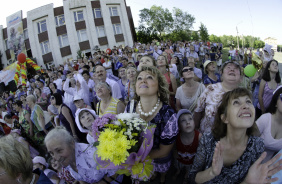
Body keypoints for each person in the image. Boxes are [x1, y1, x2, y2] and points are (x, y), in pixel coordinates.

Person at [188, 87, 282, 184]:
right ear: (225, 118)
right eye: (236, 102)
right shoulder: (208, 140)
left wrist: (247, 182)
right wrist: (211, 172)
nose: (246, 106)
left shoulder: (257, 146)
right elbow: (192, 177)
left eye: (249, 102)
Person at [125, 66, 178, 184]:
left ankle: (162, 176)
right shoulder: (129, 106)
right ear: (136, 88)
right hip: (135, 161)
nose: (143, 80)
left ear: (159, 87)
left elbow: (164, 151)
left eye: (149, 77)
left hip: (159, 158)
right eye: (139, 78)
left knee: (161, 173)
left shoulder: (168, 114)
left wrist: (138, 159)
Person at [45, 126, 122, 183]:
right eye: (51, 153)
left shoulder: (93, 154)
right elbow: (81, 178)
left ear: (72, 143)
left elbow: (118, 167)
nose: (56, 158)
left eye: (59, 150)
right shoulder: (67, 161)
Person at [194, 61, 242, 134]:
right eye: (228, 67)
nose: (232, 70)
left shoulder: (244, 95)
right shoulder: (210, 89)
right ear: (221, 74)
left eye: (235, 68)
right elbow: (198, 110)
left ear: (240, 77)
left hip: (232, 139)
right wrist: (196, 130)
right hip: (207, 136)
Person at [174, 109, 202, 183]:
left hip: (191, 161)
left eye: (190, 119)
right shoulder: (176, 136)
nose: (187, 122)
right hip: (180, 159)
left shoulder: (199, 136)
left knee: (188, 169)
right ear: (179, 126)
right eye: (183, 120)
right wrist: (174, 152)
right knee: (178, 166)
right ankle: (178, 171)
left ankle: (186, 176)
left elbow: (201, 151)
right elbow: (174, 147)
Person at [256, 86, 282, 162]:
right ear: (276, 103)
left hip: (269, 169)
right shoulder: (265, 119)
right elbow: (247, 141)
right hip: (251, 164)